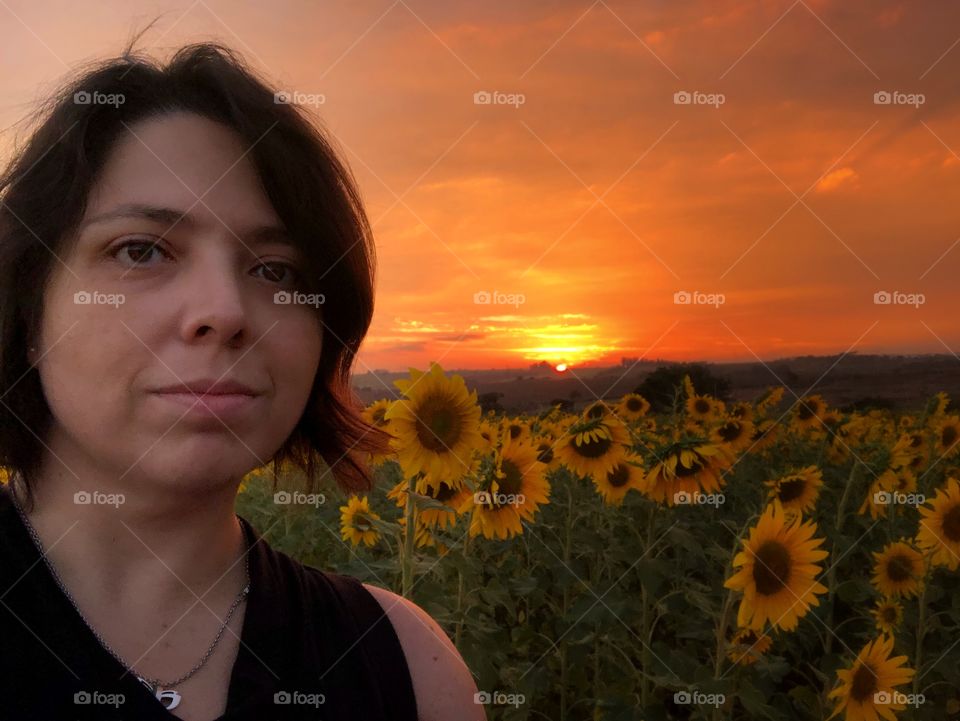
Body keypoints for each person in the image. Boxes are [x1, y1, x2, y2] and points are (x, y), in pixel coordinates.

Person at [0, 35, 485, 721]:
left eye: (276, 270)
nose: (225, 311)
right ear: (26, 306)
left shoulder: (406, 671)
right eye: (141, 250)